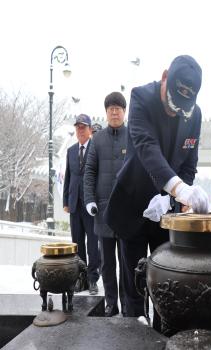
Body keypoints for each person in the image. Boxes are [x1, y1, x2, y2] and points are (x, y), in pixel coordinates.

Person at [104, 55, 208, 330]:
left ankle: (163, 332)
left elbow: (188, 162)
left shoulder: (194, 114)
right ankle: (135, 327)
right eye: (173, 103)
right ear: (164, 78)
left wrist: (173, 198)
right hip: (134, 204)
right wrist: (178, 188)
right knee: (134, 286)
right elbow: (147, 147)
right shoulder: (141, 98)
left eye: (182, 108)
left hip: (166, 213)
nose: (176, 112)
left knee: (167, 284)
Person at [84, 92, 128, 317]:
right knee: (107, 263)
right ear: (106, 112)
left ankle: (129, 305)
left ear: (124, 111)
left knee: (128, 263)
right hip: (103, 210)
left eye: (118, 108)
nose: (114, 111)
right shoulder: (97, 139)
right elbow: (90, 171)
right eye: (110, 108)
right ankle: (111, 303)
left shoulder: (133, 136)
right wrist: (90, 199)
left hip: (128, 211)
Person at [63, 114, 100, 295]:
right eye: (78, 127)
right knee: (77, 244)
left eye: (83, 127)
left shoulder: (96, 148)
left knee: (93, 244)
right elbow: (68, 177)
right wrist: (65, 201)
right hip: (74, 204)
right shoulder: (70, 151)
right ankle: (81, 279)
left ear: (90, 129)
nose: (80, 130)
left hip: (90, 204)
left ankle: (93, 279)